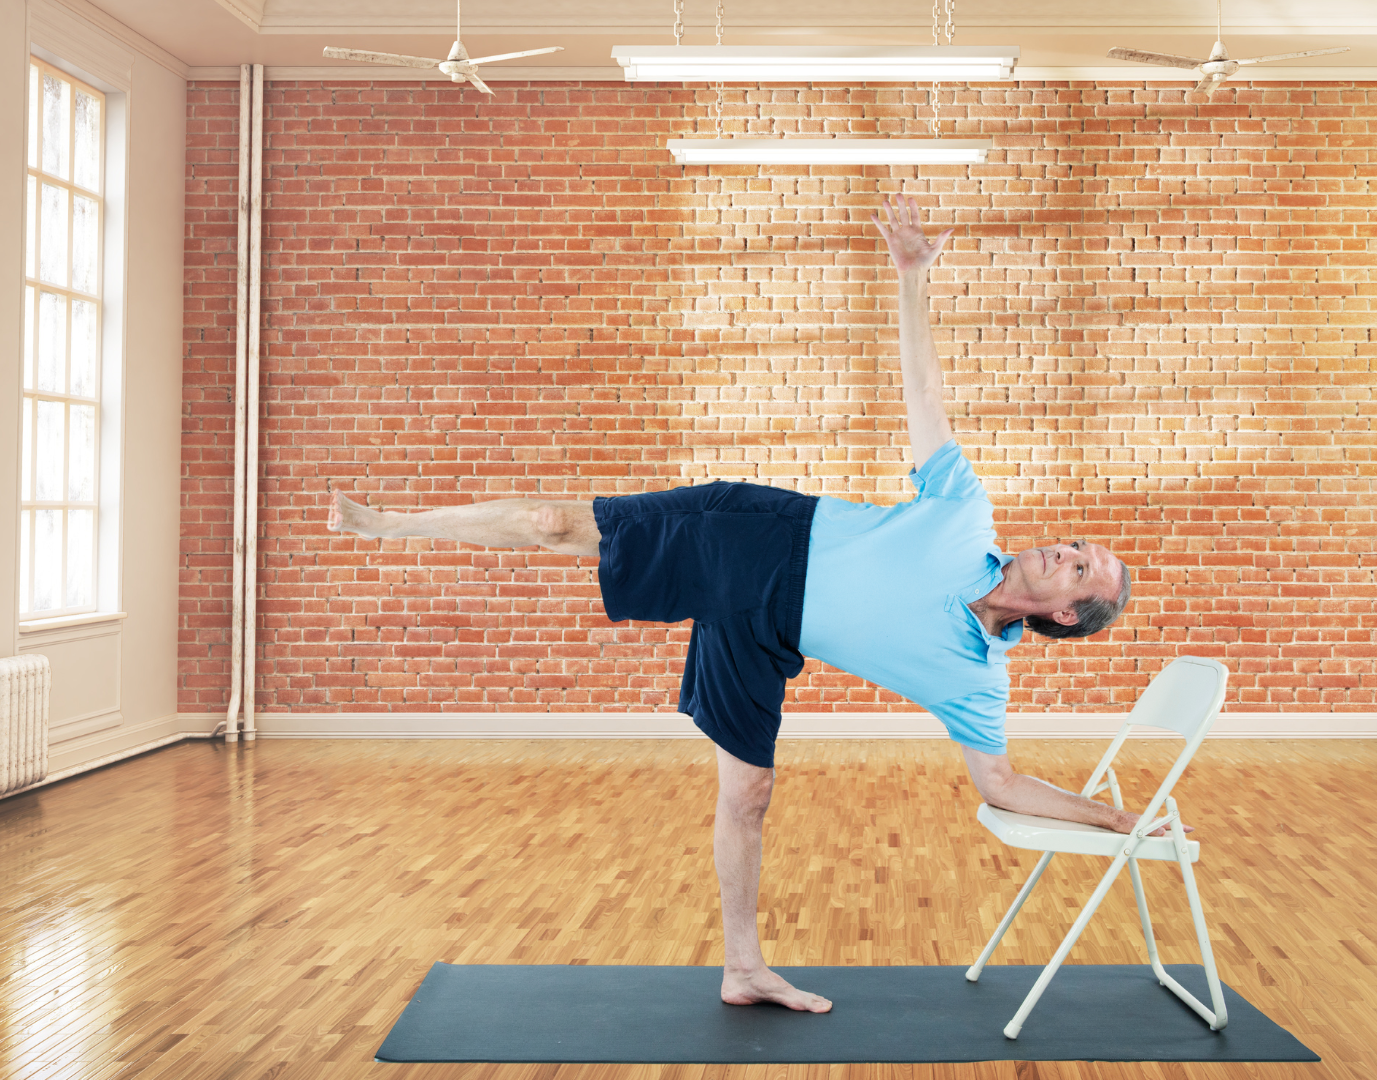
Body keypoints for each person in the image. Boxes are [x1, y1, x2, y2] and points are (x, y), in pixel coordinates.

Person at [328, 195, 1158, 1014]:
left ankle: (743, 968)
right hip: (758, 536)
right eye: (1079, 546)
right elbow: (926, 397)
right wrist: (911, 278)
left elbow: (1004, 785)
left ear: (1060, 615)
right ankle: (387, 526)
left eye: (1081, 571)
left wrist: (1115, 819)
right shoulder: (965, 510)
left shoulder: (975, 682)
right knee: (554, 526)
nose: (1066, 550)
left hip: (769, 637)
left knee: (749, 795)